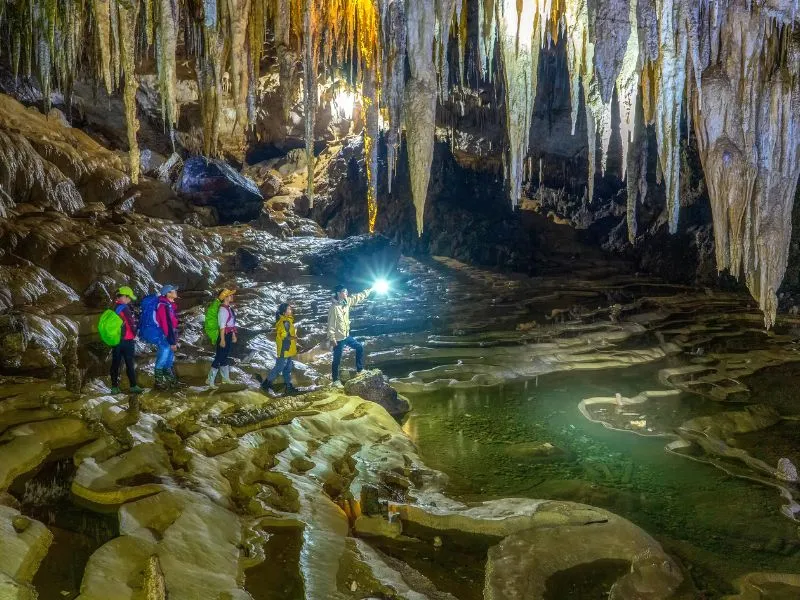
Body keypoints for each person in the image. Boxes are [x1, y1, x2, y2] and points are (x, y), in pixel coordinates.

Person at [327, 284, 373, 385]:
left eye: (347, 291)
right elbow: (331, 324)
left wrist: (369, 290)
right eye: (344, 291)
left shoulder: (346, 302)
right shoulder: (334, 308)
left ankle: (359, 370)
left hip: (346, 336)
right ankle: (335, 380)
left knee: (359, 347)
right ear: (339, 293)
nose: (346, 293)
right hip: (338, 338)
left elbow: (358, 297)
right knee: (337, 359)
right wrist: (332, 338)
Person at [257, 302, 298, 395]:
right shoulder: (285, 322)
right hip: (285, 349)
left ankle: (288, 387)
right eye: (289, 309)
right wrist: (294, 337)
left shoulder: (288, 320)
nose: (291, 310)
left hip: (288, 349)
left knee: (287, 368)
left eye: (290, 309)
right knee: (279, 368)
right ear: (284, 312)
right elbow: (284, 336)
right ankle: (265, 384)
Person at [110, 286, 144, 395]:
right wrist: (135, 334)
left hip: (116, 340)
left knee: (115, 363)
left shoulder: (114, 306)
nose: (130, 300)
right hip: (127, 340)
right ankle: (133, 386)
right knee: (129, 363)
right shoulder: (124, 308)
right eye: (129, 298)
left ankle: (114, 387)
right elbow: (130, 323)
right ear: (124, 296)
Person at [207, 289, 238, 387]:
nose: (232, 296)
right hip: (223, 335)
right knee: (219, 357)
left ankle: (225, 378)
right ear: (224, 297)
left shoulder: (229, 308)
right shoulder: (222, 310)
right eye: (230, 295)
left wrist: (233, 335)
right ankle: (210, 380)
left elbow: (231, 324)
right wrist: (222, 339)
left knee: (224, 357)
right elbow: (222, 326)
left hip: (228, 334)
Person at [155, 284, 180, 388]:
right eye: (174, 290)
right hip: (165, 336)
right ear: (168, 293)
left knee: (169, 360)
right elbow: (167, 325)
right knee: (162, 359)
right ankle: (158, 383)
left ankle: (172, 382)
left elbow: (172, 323)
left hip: (169, 336)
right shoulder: (163, 306)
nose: (176, 292)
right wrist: (172, 342)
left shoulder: (168, 305)